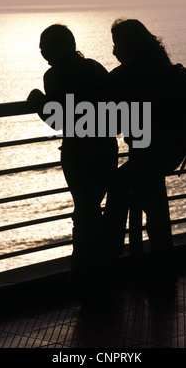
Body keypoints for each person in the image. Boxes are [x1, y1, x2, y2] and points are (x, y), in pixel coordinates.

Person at [104, 18, 186, 292]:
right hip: (170, 149)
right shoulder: (163, 68)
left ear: (128, 46)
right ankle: (162, 269)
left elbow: (104, 115)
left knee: (121, 188)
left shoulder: (125, 75)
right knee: (154, 204)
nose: (114, 52)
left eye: (116, 45)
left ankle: (110, 259)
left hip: (148, 153)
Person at [27, 24, 118, 294]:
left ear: (55, 48)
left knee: (85, 210)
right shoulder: (95, 68)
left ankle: (84, 275)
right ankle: (101, 271)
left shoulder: (54, 76)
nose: (42, 51)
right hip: (105, 147)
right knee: (93, 209)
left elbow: (57, 120)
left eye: (45, 46)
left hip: (78, 150)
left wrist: (37, 101)